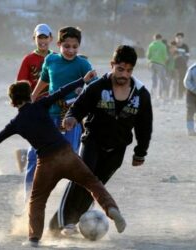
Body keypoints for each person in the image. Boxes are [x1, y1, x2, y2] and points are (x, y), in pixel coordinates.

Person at [0, 71, 126, 247]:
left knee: (38, 200)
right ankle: (111, 208)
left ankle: (33, 239)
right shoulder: (41, 104)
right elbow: (61, 92)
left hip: (46, 162)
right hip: (67, 154)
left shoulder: (16, 122)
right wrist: (82, 80)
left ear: (13, 102)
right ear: (30, 96)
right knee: (92, 183)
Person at [49, 45, 153, 236]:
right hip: (92, 142)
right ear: (112, 65)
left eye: (129, 70)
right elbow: (78, 107)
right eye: (120, 69)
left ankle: (59, 225)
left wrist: (141, 152)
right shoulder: (97, 87)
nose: (124, 74)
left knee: (95, 187)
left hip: (117, 149)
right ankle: (66, 223)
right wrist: (71, 118)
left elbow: (145, 126)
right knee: (81, 179)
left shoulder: (141, 94)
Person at [31, 26, 94, 154]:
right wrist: (33, 95)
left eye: (75, 47)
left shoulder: (83, 64)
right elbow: (44, 79)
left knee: (68, 153)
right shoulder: (50, 60)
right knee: (38, 152)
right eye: (66, 46)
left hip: (71, 116)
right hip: (50, 113)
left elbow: (94, 86)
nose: (71, 50)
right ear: (59, 44)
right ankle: (34, 175)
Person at [14, 23, 54, 201]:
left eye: (45, 37)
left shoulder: (56, 58)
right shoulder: (29, 59)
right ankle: (28, 197)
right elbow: (21, 83)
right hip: (35, 107)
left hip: (54, 108)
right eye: (40, 37)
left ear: (51, 39)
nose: (43, 41)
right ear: (34, 39)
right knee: (35, 153)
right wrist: (22, 104)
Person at [147, 33, 168, 99]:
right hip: (160, 64)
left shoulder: (151, 45)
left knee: (154, 79)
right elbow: (165, 57)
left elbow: (148, 56)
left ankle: (153, 94)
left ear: (154, 38)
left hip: (152, 63)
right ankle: (161, 95)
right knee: (162, 79)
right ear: (161, 38)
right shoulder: (163, 46)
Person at [174, 32, 190, 99]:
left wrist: (182, 59)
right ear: (175, 38)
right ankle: (172, 95)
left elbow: (187, 57)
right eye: (177, 38)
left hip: (183, 67)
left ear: (182, 39)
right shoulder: (173, 45)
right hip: (174, 66)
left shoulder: (185, 47)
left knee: (181, 81)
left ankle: (180, 95)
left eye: (180, 38)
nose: (179, 39)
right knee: (173, 81)